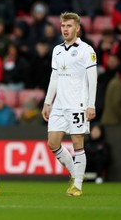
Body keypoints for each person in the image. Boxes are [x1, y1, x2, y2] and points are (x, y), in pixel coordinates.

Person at [41, 12, 98, 197]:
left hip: (77, 104)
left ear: (77, 28)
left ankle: (78, 185)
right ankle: (75, 174)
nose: (65, 29)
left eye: (69, 26)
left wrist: (91, 104)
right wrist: (48, 102)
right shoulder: (57, 50)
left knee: (77, 142)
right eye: (63, 26)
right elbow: (54, 77)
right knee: (52, 143)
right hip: (59, 105)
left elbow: (93, 78)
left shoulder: (86, 50)